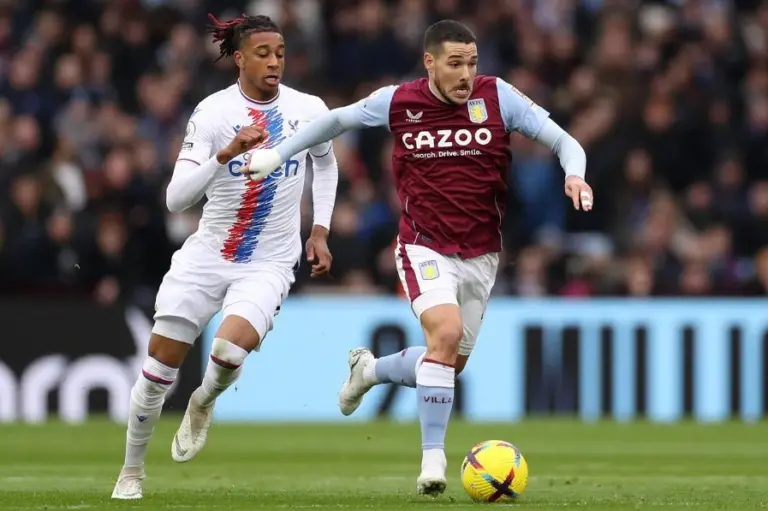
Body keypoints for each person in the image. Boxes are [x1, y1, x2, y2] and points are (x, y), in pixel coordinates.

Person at [246, 20, 592, 495]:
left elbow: (565, 142)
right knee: (444, 335)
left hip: (482, 254)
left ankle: (370, 371)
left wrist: (575, 174)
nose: (466, 74)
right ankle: (434, 461)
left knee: (447, 364)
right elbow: (335, 121)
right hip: (422, 245)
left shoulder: (498, 97)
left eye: (472, 63)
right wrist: (276, 155)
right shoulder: (398, 102)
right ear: (430, 63)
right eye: (455, 63)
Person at [111, 14, 339, 500]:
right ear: (239, 58)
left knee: (229, 351)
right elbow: (176, 199)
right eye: (263, 53)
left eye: (280, 53)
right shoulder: (213, 113)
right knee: (157, 372)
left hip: (270, 261)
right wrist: (226, 154)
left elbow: (325, 164)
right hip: (207, 256)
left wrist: (319, 228)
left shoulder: (308, 109)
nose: (274, 61)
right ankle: (131, 472)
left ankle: (204, 399)